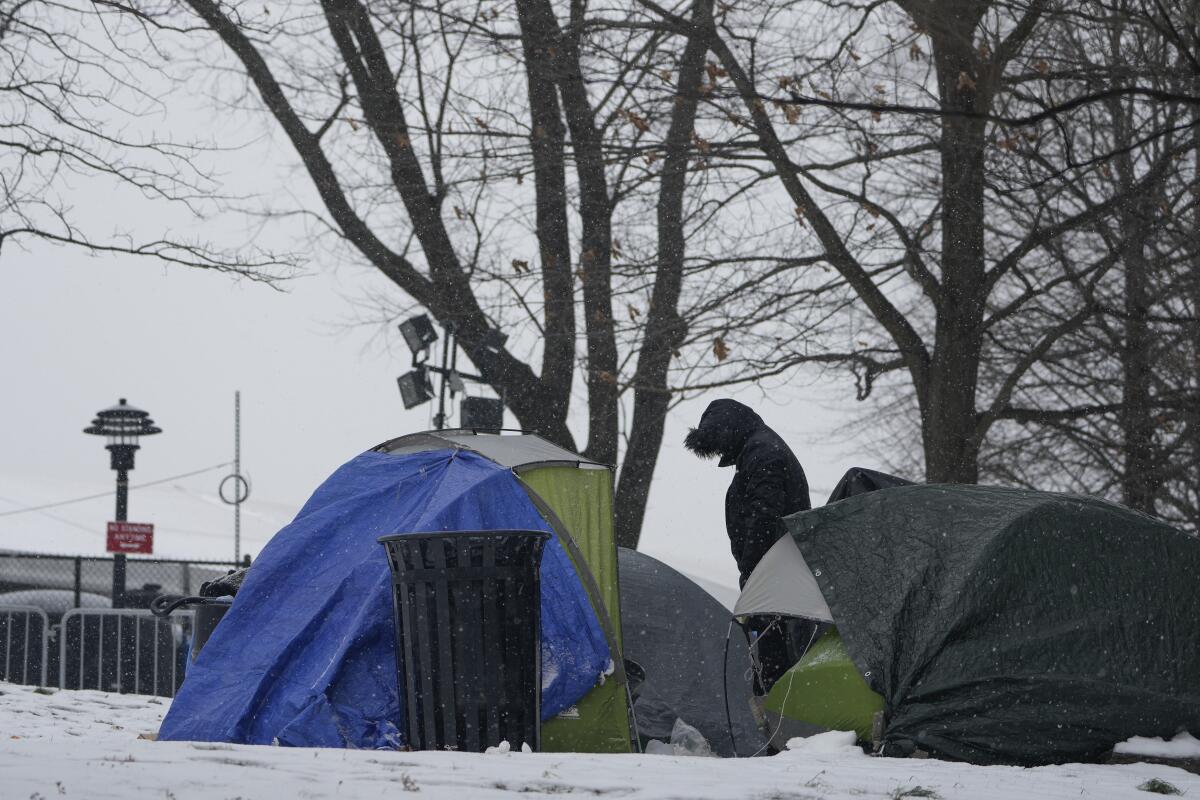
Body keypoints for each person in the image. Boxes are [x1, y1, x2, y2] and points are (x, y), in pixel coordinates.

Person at [684, 398, 812, 693]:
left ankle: (778, 717)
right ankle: (777, 712)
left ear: (729, 431)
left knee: (773, 660)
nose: (720, 453)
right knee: (771, 653)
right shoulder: (758, 449)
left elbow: (764, 516)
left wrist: (751, 567)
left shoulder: (763, 454)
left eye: (718, 444)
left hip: (772, 575)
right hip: (774, 572)